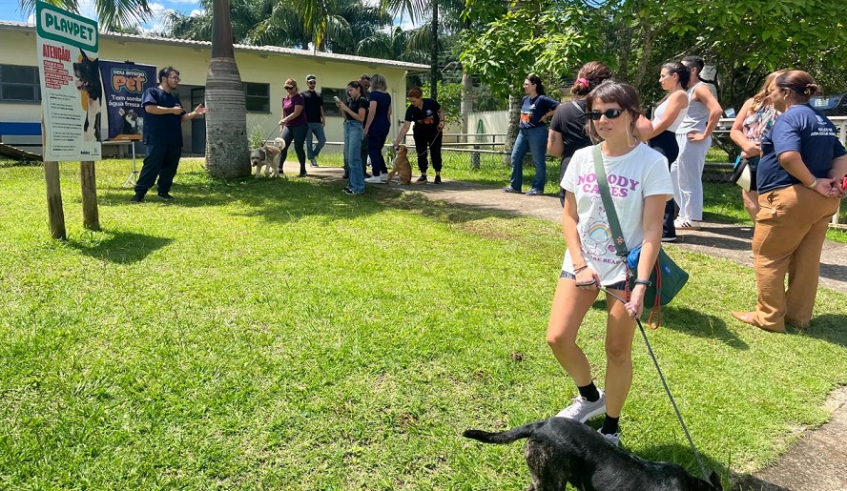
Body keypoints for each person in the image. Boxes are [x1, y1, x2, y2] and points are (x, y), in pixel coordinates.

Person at [547, 81, 673, 446]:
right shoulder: (583, 159)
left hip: (625, 270)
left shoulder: (652, 162)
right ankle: (590, 397)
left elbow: (652, 233)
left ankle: (611, 429)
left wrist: (640, 285)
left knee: (617, 350)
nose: (601, 120)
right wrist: (581, 263)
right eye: (595, 113)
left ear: (632, 114)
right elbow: (569, 218)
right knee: (558, 337)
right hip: (582, 262)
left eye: (611, 113)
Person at [731, 70, 847, 333]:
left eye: (773, 90)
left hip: (790, 198)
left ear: (785, 93)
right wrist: (833, 181)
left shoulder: (787, 119)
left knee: (769, 256)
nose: (769, 93)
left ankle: (769, 318)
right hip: (821, 202)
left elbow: (788, 157)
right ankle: (799, 317)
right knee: (807, 260)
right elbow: (842, 156)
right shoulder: (822, 120)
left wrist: (813, 182)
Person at [131, 66, 206, 202]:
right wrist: (171, 110)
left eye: (178, 78)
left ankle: (163, 191)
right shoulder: (152, 92)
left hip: (174, 139)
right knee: (152, 166)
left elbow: (182, 117)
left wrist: (195, 113)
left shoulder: (174, 98)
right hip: (156, 137)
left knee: (170, 168)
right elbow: (150, 108)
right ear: (164, 79)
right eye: (174, 77)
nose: (177, 80)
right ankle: (139, 194)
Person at [548, 62, 612, 206]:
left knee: (572, 220)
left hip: (572, 170)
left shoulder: (563, 111)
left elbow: (553, 149)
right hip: (606, 170)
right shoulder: (613, 111)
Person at [671, 55, 723, 230]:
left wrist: (705, 134)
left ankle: (693, 218)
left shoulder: (700, 88)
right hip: (680, 136)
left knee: (689, 178)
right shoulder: (685, 88)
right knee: (674, 176)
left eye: (683, 67)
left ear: (693, 70)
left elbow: (716, 110)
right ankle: (684, 214)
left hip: (693, 137)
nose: (679, 70)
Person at [640, 61, 690, 242]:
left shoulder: (679, 96)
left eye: (663, 76)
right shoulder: (672, 96)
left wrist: (645, 136)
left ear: (674, 76)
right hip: (658, 139)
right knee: (655, 181)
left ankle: (666, 229)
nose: (660, 80)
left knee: (659, 183)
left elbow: (665, 122)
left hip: (665, 140)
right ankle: (658, 225)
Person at [729, 70, 785, 222]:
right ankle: (760, 231)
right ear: (769, 84)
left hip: (774, 158)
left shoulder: (788, 106)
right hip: (748, 156)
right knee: (749, 200)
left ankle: (773, 235)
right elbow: (735, 130)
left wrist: (762, 150)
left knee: (771, 200)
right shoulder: (751, 103)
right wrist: (746, 145)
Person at [505, 74, 559, 196]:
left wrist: (545, 116)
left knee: (538, 161)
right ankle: (515, 186)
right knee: (515, 158)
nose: (524, 86)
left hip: (537, 132)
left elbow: (560, 107)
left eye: (526, 84)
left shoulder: (542, 99)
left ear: (534, 86)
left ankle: (537, 188)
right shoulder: (525, 99)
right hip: (522, 132)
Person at [393, 87, 445, 183]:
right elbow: (406, 126)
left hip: (434, 131)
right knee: (421, 152)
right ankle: (423, 174)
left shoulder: (430, 102)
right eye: (411, 101)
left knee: (435, 152)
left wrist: (441, 121)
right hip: (420, 133)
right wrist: (397, 142)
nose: (413, 103)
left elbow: (441, 111)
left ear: (420, 97)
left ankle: (437, 174)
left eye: (414, 101)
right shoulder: (411, 110)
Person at [336, 80, 369, 195]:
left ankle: (358, 187)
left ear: (358, 89)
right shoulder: (350, 101)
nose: (349, 93)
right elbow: (346, 116)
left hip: (356, 127)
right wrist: (341, 108)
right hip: (348, 125)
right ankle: (351, 185)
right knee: (348, 159)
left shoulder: (362, 101)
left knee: (354, 158)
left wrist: (347, 108)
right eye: (348, 91)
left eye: (351, 90)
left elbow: (361, 118)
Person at [364, 73, 392, 183]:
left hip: (375, 124)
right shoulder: (387, 95)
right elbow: (389, 112)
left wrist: (367, 127)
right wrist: (387, 124)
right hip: (385, 123)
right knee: (378, 149)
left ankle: (376, 175)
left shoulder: (374, 94)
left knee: (373, 150)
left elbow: (372, 111)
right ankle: (384, 172)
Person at [278, 77, 309, 177]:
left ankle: (303, 170)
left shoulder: (299, 97)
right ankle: (279, 169)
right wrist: (282, 124)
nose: (288, 90)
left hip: (300, 125)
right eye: (286, 88)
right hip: (288, 125)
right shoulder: (285, 98)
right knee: (282, 145)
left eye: (290, 88)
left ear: (295, 87)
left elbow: (296, 112)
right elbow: (283, 112)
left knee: (298, 147)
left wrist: (285, 120)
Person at [302, 74, 326, 167]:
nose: (313, 84)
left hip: (317, 122)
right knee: (308, 142)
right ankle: (312, 160)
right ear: (307, 83)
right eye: (311, 82)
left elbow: (321, 107)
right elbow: (301, 108)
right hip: (306, 122)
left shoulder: (319, 95)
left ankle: (313, 154)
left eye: (314, 82)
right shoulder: (303, 95)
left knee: (322, 140)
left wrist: (323, 118)